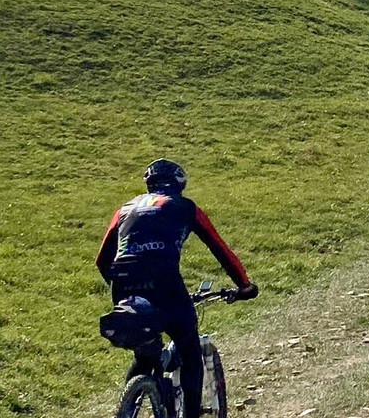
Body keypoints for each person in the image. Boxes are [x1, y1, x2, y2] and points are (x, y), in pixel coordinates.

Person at [97, 158, 258, 418]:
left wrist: (124, 289)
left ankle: (127, 408)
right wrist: (244, 286)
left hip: (124, 283)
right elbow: (220, 249)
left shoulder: (125, 209)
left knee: (145, 353)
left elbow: (102, 260)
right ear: (180, 183)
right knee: (189, 350)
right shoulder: (185, 207)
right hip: (165, 283)